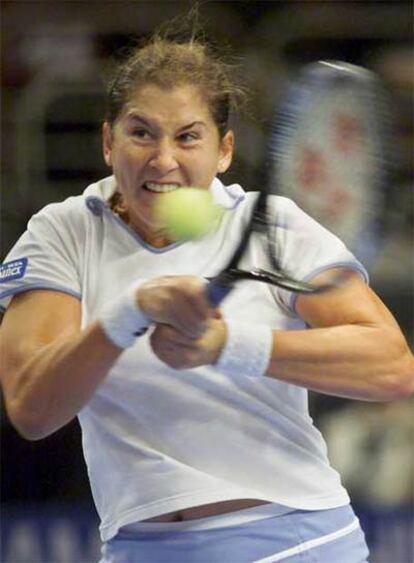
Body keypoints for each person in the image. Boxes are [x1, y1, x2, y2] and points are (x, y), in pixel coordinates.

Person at [0, 33, 413, 563]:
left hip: (296, 540)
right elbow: (33, 410)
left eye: (188, 137)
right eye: (141, 133)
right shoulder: (63, 232)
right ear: (108, 143)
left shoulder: (274, 226)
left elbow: (392, 367)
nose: (163, 160)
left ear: (224, 151)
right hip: (139, 549)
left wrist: (227, 344)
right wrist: (130, 314)